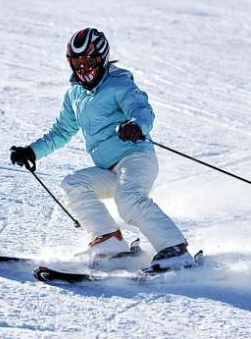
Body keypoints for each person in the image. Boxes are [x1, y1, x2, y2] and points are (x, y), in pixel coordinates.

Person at [10, 28, 193, 270]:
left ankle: (175, 251)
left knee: (128, 199)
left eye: (89, 61)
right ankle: (109, 243)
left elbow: (141, 109)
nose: (84, 68)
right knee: (74, 184)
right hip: (108, 169)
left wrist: (136, 124)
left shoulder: (119, 83)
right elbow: (62, 131)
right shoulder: (75, 94)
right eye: (77, 62)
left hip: (136, 157)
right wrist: (32, 152)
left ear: (102, 57)